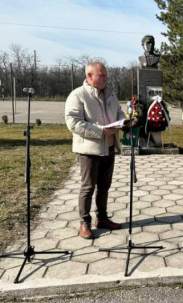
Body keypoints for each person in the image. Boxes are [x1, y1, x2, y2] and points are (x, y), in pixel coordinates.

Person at [65, 61, 127, 239]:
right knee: (88, 187)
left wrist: (123, 121)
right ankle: (84, 222)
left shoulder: (110, 94)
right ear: (89, 76)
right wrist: (99, 130)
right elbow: (73, 123)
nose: (106, 78)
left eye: (106, 75)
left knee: (104, 186)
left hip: (109, 147)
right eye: (102, 75)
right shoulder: (77, 95)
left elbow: (119, 112)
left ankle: (102, 218)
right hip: (89, 150)